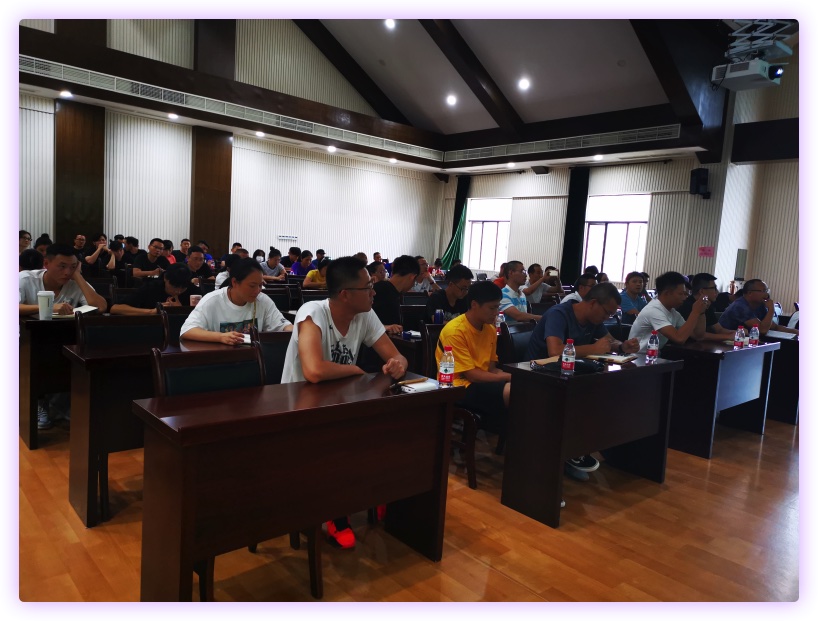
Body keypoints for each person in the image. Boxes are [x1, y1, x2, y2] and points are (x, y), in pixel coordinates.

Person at [281, 256, 408, 548]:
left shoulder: (365, 314)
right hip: (297, 408)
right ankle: (336, 513)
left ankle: (374, 492)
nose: (374, 292)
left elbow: (396, 356)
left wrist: (399, 364)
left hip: (339, 403)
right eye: (368, 287)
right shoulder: (312, 313)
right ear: (345, 294)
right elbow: (314, 371)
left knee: (390, 431)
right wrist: (355, 370)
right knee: (342, 441)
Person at [526, 282, 640, 481]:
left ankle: (584, 448)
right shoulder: (559, 314)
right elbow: (555, 351)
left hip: (570, 376)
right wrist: (593, 349)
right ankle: (570, 452)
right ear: (593, 303)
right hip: (541, 376)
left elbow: (609, 341)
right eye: (607, 313)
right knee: (590, 399)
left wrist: (623, 346)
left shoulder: (593, 319)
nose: (607, 317)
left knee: (613, 394)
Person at [180, 258, 292, 343]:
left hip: (254, 359)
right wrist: (220, 337)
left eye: (260, 285)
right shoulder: (212, 301)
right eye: (252, 286)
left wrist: (297, 331)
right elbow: (187, 330)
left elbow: (283, 326)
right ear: (234, 282)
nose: (258, 291)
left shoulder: (262, 300)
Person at [19, 243, 109, 316]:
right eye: (62, 266)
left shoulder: (75, 282)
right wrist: (48, 307)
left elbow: (101, 307)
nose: (67, 272)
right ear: (46, 263)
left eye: (73, 267)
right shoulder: (25, 278)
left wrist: (77, 275)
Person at [629, 271, 708, 353]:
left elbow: (697, 335)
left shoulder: (673, 312)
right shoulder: (653, 310)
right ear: (666, 293)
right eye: (681, 294)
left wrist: (701, 312)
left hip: (652, 356)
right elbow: (679, 338)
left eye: (685, 294)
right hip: (637, 357)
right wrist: (695, 312)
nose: (684, 298)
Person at [717, 279, 799, 335]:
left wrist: (797, 332)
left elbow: (774, 327)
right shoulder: (740, 306)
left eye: (766, 290)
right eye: (763, 291)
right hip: (727, 343)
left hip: (746, 340)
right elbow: (762, 330)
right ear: (750, 293)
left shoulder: (759, 305)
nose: (766, 294)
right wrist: (771, 309)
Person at [110, 264, 200, 315]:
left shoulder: (194, 292)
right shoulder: (151, 288)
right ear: (165, 278)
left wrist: (180, 310)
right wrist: (153, 311)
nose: (178, 291)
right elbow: (115, 308)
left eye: (183, 288)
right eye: (174, 287)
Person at [678, 273, 736, 342]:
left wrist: (737, 333)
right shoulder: (687, 305)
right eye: (714, 288)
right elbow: (697, 336)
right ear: (702, 291)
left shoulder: (706, 304)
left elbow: (719, 329)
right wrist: (727, 336)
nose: (717, 291)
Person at [372, 254, 420, 334]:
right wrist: (384, 327)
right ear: (412, 277)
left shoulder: (391, 292)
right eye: (415, 282)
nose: (412, 285)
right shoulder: (377, 292)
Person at [499, 260, 541, 324]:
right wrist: (545, 318)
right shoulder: (503, 295)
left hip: (523, 329)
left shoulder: (522, 295)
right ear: (511, 273)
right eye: (522, 271)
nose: (526, 275)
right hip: (510, 330)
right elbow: (518, 316)